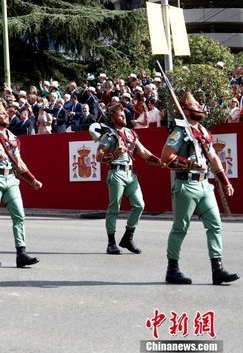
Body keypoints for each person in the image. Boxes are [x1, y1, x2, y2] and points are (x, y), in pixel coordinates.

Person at [160, 92, 240, 285]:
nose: (200, 108)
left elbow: (213, 158)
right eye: (196, 105)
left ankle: (217, 269)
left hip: (205, 185)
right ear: (186, 111)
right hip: (186, 184)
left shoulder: (203, 132)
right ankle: (172, 270)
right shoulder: (179, 131)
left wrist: (225, 181)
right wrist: (190, 165)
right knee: (180, 228)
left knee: (215, 225)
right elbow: (166, 157)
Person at [0, 102, 43, 268]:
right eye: (2, 114)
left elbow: (19, 163)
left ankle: (21, 253)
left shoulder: (12, 137)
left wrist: (32, 180)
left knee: (19, 215)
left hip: (11, 179)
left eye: (6, 113)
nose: (6, 115)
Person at [96, 104, 164, 255]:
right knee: (114, 208)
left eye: (124, 115)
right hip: (116, 173)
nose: (124, 117)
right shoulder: (109, 135)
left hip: (130, 174)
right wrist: (115, 154)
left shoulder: (131, 134)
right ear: (113, 118)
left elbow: (144, 152)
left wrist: (159, 161)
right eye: (120, 116)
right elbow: (99, 156)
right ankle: (111, 243)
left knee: (139, 205)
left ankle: (128, 237)